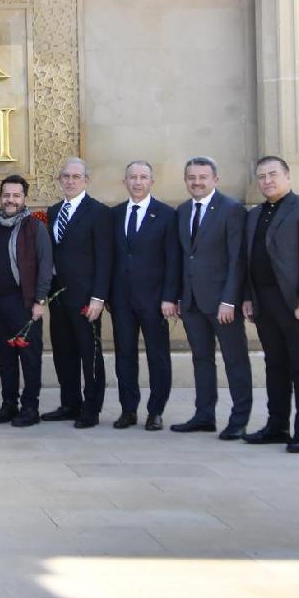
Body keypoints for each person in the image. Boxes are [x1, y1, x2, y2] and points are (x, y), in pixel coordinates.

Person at [242, 155, 299, 454]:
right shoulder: (254, 214)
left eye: (272, 175)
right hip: (264, 302)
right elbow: (248, 260)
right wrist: (248, 297)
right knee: (275, 365)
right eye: (261, 176)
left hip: (295, 303)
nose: (267, 181)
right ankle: (277, 426)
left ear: (287, 176)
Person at [171, 156, 252, 439]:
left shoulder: (231, 209)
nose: (197, 182)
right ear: (186, 180)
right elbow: (184, 257)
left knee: (235, 361)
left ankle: (239, 420)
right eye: (191, 177)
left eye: (203, 177)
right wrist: (179, 296)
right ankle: (204, 415)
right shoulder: (183, 210)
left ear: (215, 179)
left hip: (222, 303)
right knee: (201, 360)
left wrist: (230, 300)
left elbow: (237, 259)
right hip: (192, 302)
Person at [107, 161, 181, 431]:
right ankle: (128, 410)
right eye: (132, 177)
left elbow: (173, 259)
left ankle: (156, 411)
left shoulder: (166, 214)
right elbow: (109, 258)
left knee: (157, 357)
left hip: (155, 300)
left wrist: (170, 297)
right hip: (121, 301)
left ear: (152, 181)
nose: (137, 182)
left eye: (143, 177)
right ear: (124, 182)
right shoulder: (114, 215)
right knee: (124, 356)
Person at [44, 157, 113, 428]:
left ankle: (91, 408)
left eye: (76, 176)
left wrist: (98, 297)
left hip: (86, 299)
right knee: (63, 352)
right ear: (59, 180)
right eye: (66, 176)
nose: (70, 181)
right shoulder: (53, 211)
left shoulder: (99, 212)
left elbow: (105, 258)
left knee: (89, 353)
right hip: (58, 297)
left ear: (86, 180)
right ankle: (70, 404)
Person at [0, 175, 53, 427]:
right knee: (5, 357)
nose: (10, 200)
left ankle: (30, 407)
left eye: (16, 195)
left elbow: (45, 265)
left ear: (24, 198)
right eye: (6, 195)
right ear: (0, 196)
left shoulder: (35, 227)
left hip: (24, 303)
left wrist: (40, 301)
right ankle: (9, 404)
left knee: (30, 358)